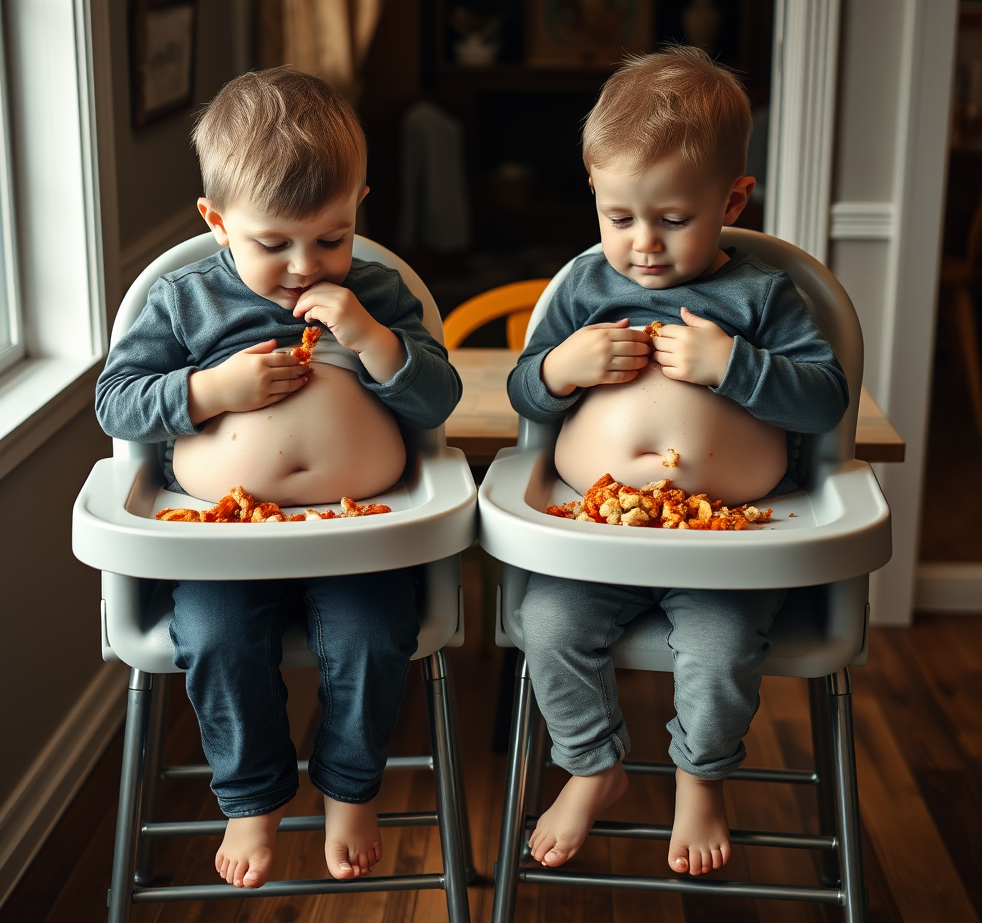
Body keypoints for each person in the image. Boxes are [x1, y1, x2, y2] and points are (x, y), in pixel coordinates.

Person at [96, 68, 461, 889]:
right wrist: (210, 390)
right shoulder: (184, 302)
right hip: (227, 542)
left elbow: (439, 397)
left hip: (357, 534)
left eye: (331, 237)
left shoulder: (377, 291)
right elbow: (115, 402)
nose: (306, 266)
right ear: (218, 222)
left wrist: (372, 340)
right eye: (274, 244)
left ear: (359, 204)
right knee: (220, 641)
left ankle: (349, 789)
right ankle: (252, 800)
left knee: (372, 641)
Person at [507, 46, 848, 878]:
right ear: (595, 198)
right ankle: (592, 766)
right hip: (598, 532)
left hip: (728, 541)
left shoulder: (762, 296)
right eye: (620, 219)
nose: (644, 245)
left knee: (723, 647)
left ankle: (702, 777)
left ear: (731, 200)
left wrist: (734, 365)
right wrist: (561, 369)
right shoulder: (586, 289)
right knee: (544, 627)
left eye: (672, 219)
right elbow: (526, 397)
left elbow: (825, 400)